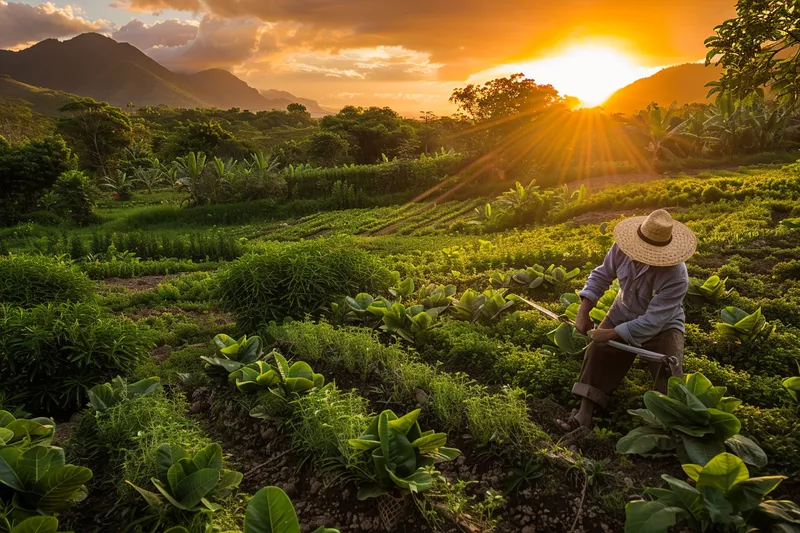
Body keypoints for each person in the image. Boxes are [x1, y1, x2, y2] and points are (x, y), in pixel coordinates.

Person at [567, 209, 697, 429]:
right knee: (598, 352)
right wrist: (583, 311)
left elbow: (654, 320)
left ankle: (664, 428)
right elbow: (601, 275)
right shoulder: (622, 247)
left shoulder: (676, 275)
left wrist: (610, 333)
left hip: (664, 325)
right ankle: (584, 414)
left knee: (669, 372)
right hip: (623, 310)